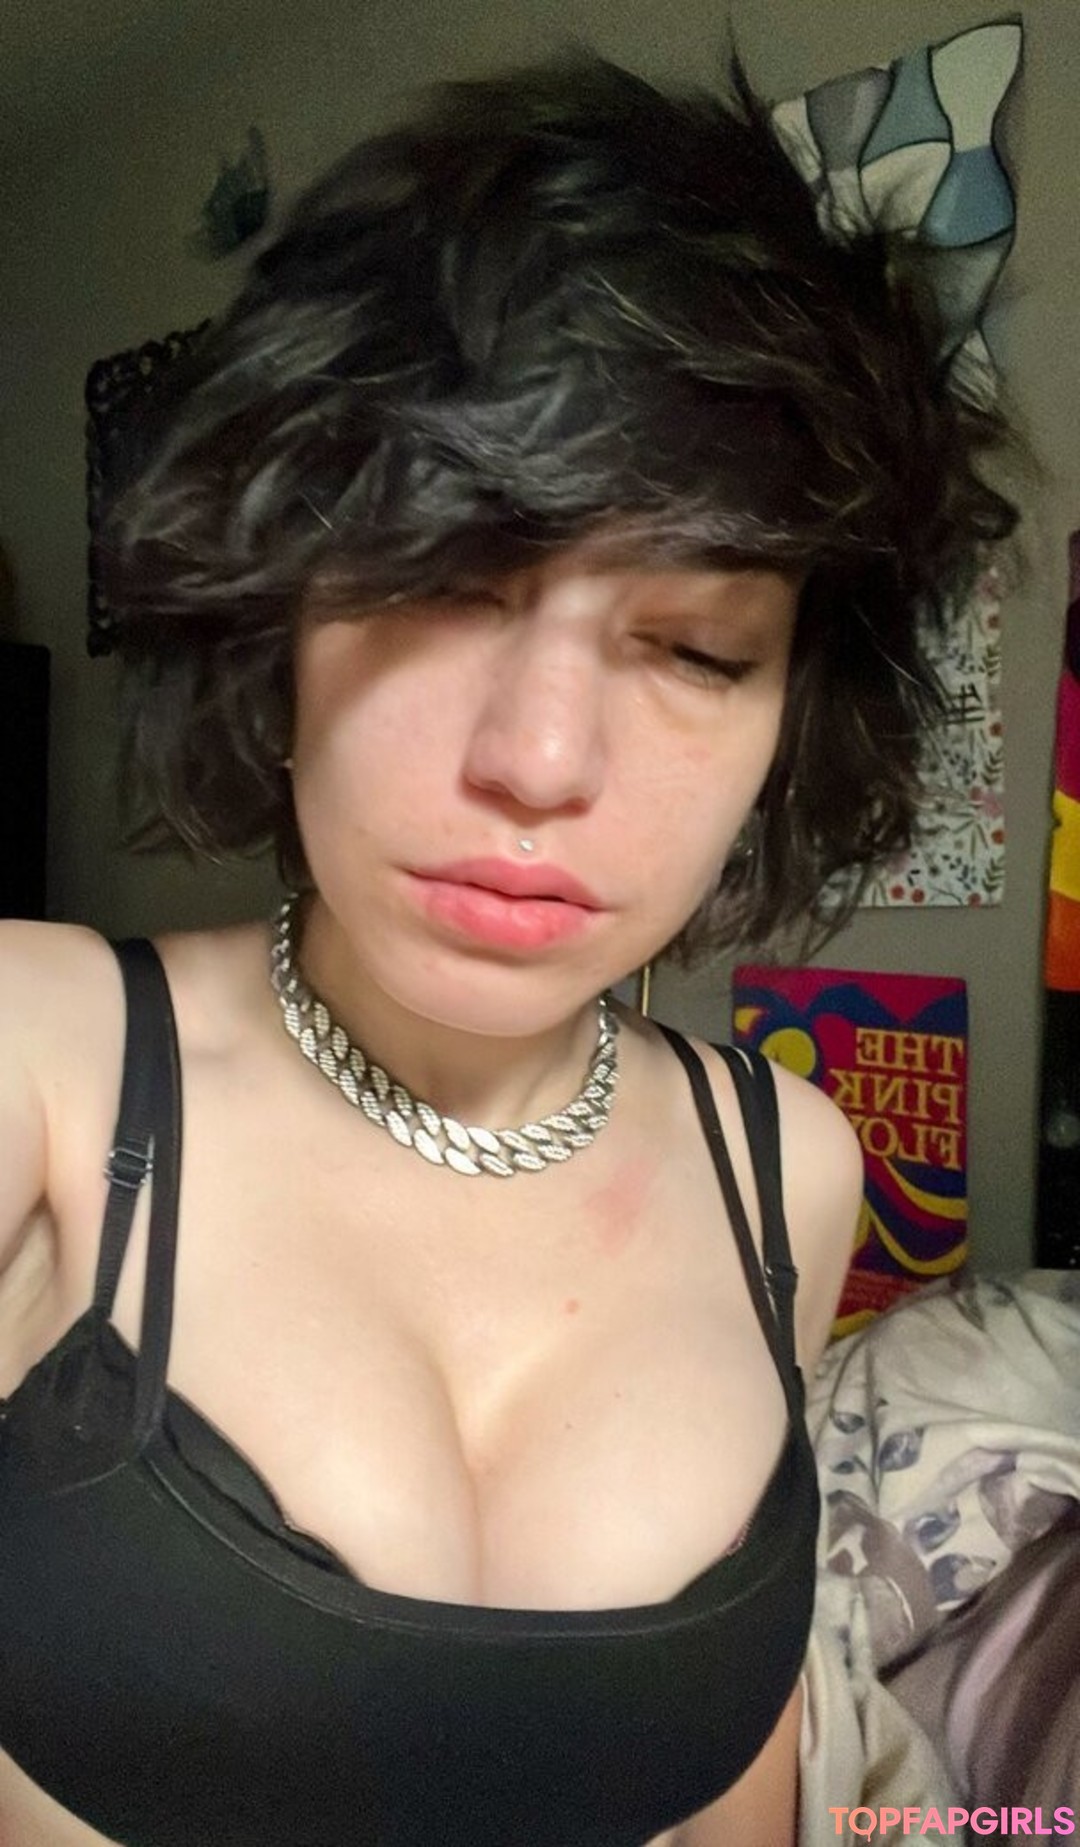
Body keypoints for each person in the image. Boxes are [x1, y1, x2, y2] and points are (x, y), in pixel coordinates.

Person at [0, 51, 1015, 1847]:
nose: (539, 761)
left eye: (696, 648)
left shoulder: (788, 1167)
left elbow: (737, 1786)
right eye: (434, 582)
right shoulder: (44, 1062)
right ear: (279, 615)